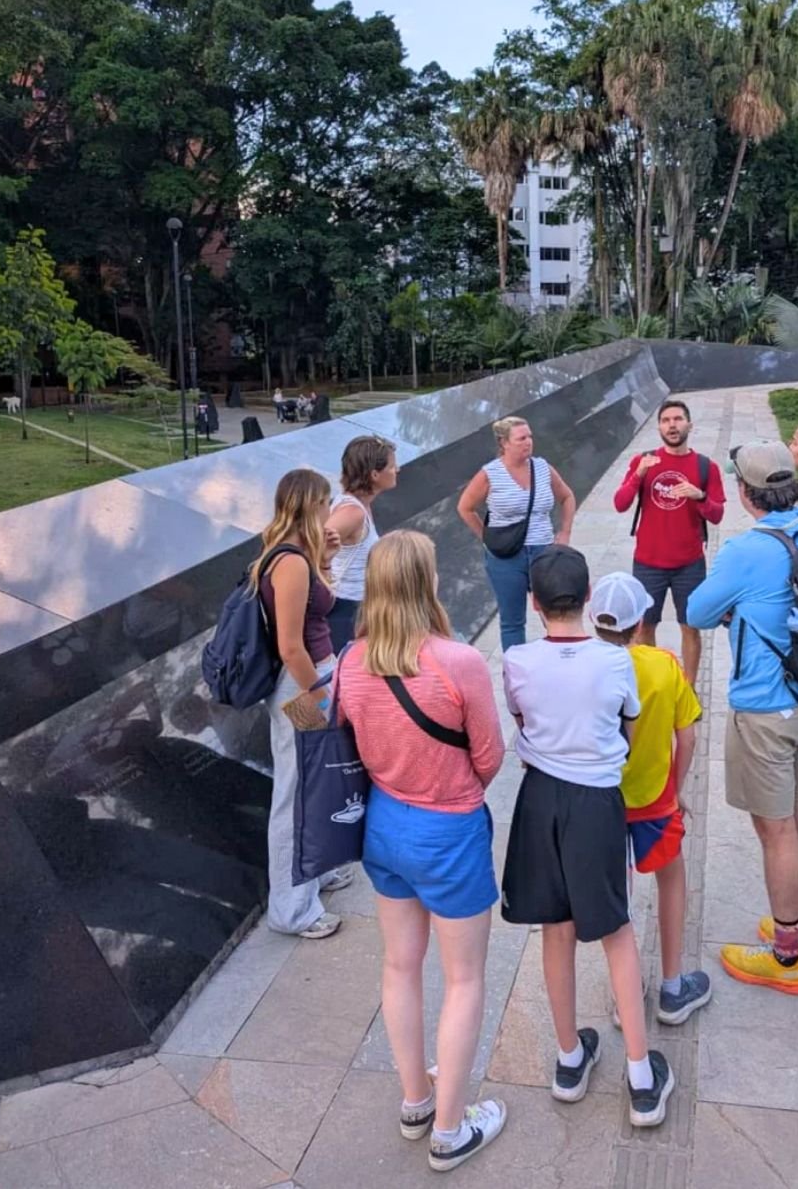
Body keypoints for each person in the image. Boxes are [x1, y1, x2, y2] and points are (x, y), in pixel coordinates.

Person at [337, 530, 507, 1171]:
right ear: (425, 584)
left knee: (400, 966)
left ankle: (415, 1099)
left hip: (383, 826)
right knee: (463, 979)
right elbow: (488, 757)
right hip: (450, 830)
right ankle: (450, 1129)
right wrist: (452, 785)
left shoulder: (353, 664)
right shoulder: (458, 662)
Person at [501, 546, 675, 1127]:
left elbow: (523, 722)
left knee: (557, 927)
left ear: (533, 603)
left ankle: (569, 1058)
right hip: (598, 801)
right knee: (616, 929)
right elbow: (624, 724)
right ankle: (641, 1076)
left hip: (540, 798)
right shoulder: (615, 661)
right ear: (587, 596)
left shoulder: (517, 660)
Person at [686, 442, 798, 995]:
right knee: (796, 811)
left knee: (774, 831)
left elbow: (697, 611)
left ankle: (786, 955)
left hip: (766, 706)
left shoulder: (748, 549)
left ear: (745, 494)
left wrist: (735, 605)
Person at [588, 571, 711, 1026]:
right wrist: (677, 791)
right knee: (671, 878)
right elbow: (689, 738)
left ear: (592, 617)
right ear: (641, 621)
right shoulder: (664, 665)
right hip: (656, 799)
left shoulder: (587, 667)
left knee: (617, 891)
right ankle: (673, 987)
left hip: (603, 800)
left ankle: (626, 990)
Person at [256, 469, 348, 940]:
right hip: (301, 687)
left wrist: (327, 558)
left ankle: (316, 872)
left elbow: (321, 605)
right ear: (308, 505)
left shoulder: (302, 556)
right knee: (296, 794)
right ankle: (292, 909)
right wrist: (320, 694)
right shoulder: (289, 562)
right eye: (326, 501)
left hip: (313, 678)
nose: (331, 510)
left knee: (317, 786)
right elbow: (291, 646)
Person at [612, 399, 725, 689]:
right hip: (649, 562)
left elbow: (717, 515)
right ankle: (653, 685)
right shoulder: (644, 461)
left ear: (689, 424)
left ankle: (688, 689)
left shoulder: (705, 467)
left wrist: (699, 495)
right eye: (665, 420)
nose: (672, 425)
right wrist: (638, 474)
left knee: (691, 626)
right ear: (659, 427)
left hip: (689, 563)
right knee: (644, 626)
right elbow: (620, 504)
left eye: (677, 419)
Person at [457, 417, 576, 652]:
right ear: (504, 443)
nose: (528, 442)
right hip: (506, 556)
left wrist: (564, 533)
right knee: (512, 621)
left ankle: (562, 659)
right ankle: (515, 673)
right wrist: (486, 538)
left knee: (555, 613)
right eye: (521, 438)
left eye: (530, 436)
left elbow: (567, 497)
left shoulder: (542, 467)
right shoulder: (490, 474)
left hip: (543, 551)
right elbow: (465, 507)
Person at [325, 436, 398, 653]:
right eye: (392, 466)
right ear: (374, 474)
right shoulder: (352, 512)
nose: (397, 470)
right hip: (344, 610)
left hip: (357, 606)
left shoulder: (360, 506)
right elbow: (314, 549)